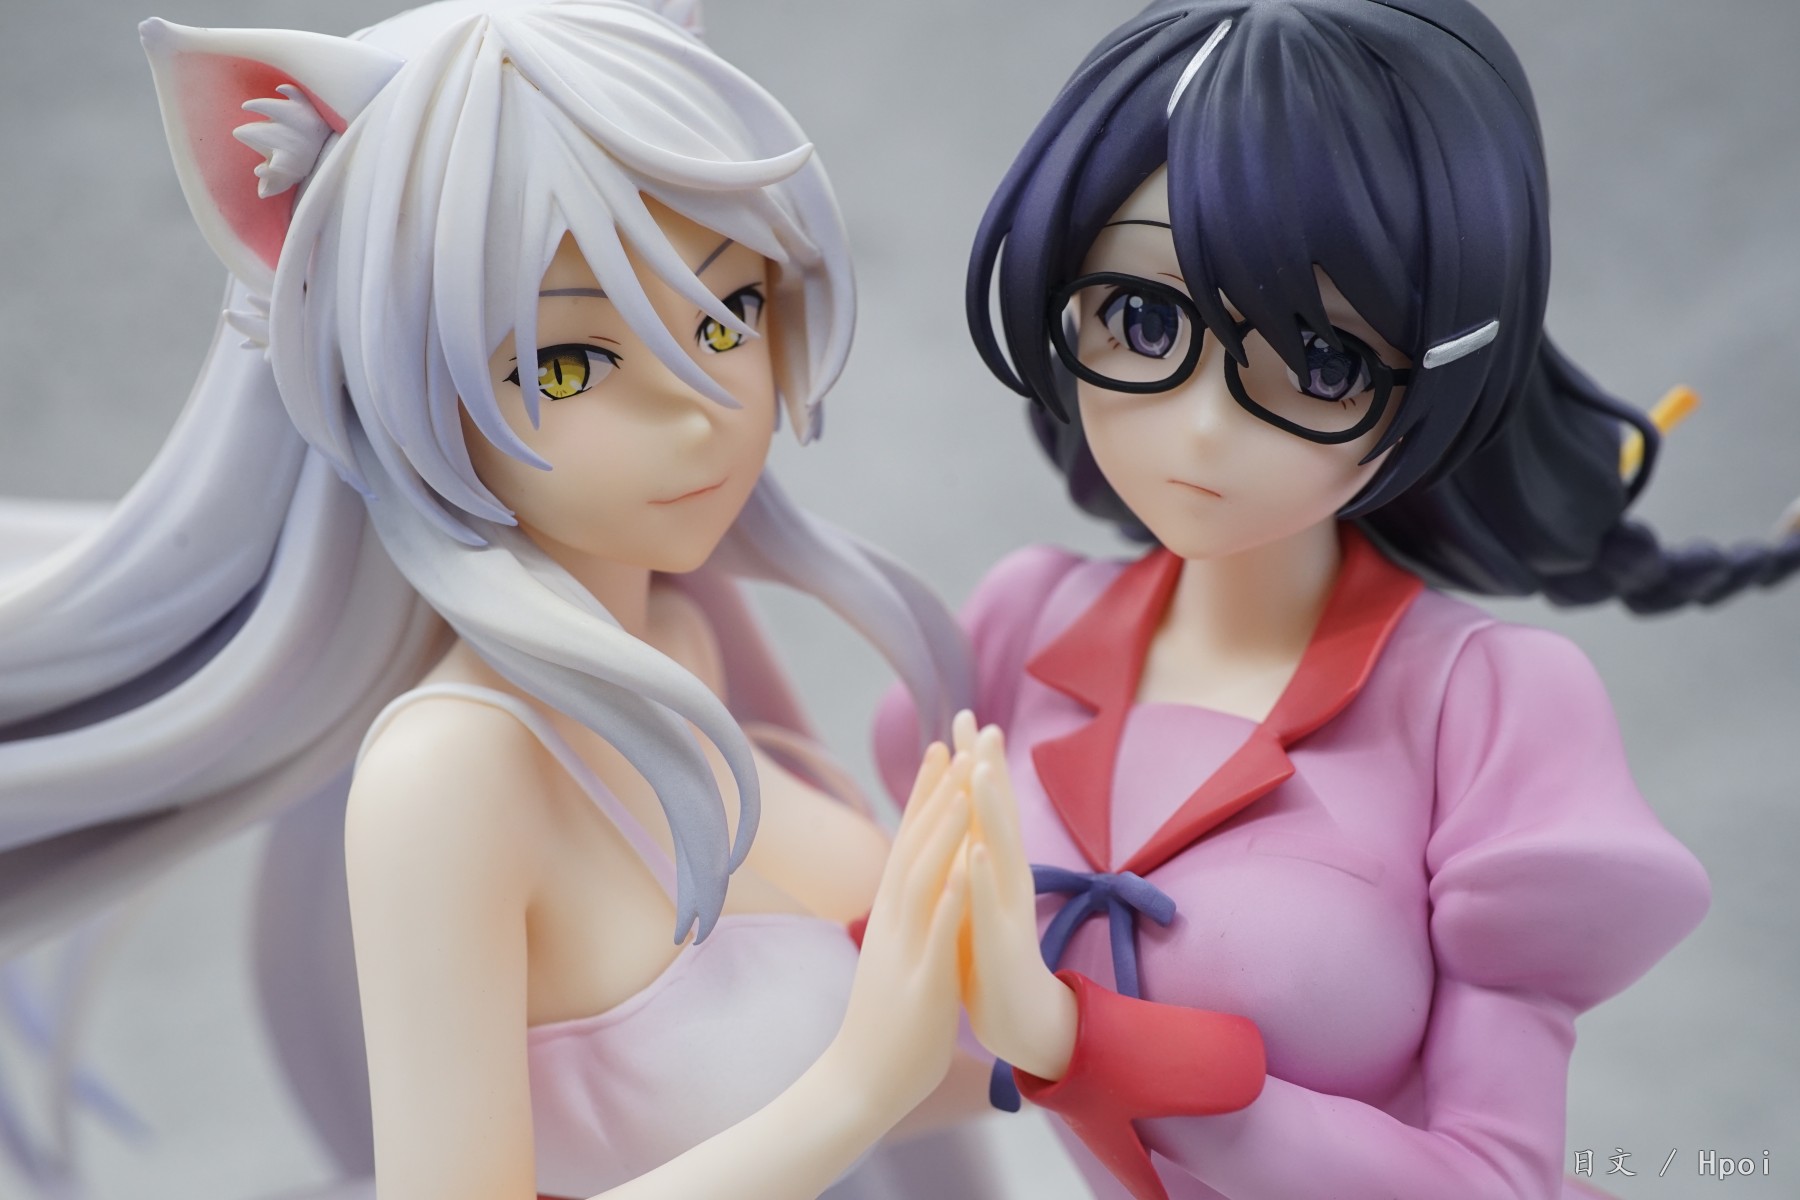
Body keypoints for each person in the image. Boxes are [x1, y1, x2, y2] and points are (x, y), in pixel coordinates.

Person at [0, 3, 996, 1198]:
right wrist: (860, 1091)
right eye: (566, 365)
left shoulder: (683, 635)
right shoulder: (453, 771)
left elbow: (910, 1052)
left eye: (727, 312)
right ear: (397, 377)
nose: (701, 411)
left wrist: (1052, 1046)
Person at [877, 2, 1799, 1198]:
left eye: (1323, 361)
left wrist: (1073, 1038)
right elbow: (885, 1011)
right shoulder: (1023, 625)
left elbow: (1496, 1179)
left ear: (1443, 371)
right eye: (1144, 319)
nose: (1203, 428)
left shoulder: (1488, 705)